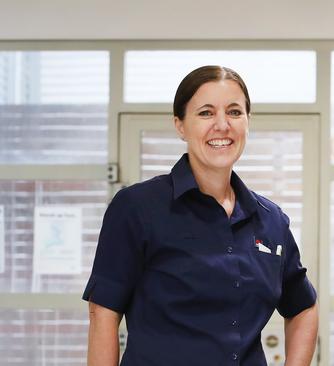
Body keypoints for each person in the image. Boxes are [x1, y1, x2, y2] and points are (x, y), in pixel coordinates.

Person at [83, 65, 318, 366]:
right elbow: (102, 311)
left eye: (234, 112)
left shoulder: (271, 220)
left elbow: (303, 306)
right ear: (180, 125)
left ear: (248, 122)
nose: (222, 125)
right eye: (206, 113)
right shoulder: (137, 208)